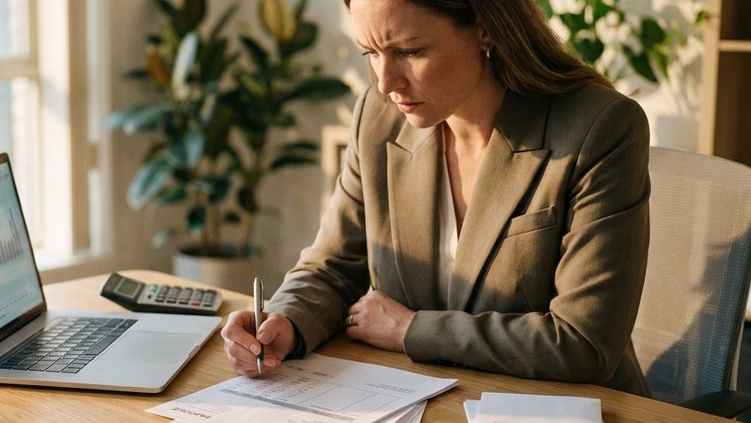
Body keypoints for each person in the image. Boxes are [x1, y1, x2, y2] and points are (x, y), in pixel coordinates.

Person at [220, 0, 651, 396]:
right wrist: (285, 322)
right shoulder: (378, 117)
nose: (386, 82)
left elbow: (584, 342)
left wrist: (412, 330)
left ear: (484, 28)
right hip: (422, 400)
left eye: (409, 51)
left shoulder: (599, 128)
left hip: (563, 407)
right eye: (370, 52)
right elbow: (332, 268)